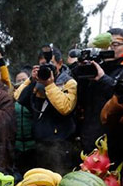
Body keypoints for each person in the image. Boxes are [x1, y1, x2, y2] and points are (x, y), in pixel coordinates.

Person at [15, 47, 78, 175]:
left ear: (60, 63)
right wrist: (31, 79)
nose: (47, 68)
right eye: (43, 65)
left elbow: (65, 108)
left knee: (59, 179)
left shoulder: (69, 82)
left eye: (51, 64)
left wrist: (49, 85)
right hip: (39, 144)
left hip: (60, 144)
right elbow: (18, 97)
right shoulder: (37, 82)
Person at [76, 28, 123, 167]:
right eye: (106, 45)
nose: (109, 48)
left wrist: (103, 79)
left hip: (115, 141)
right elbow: (80, 99)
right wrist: (82, 72)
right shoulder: (95, 66)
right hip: (89, 136)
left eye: (115, 44)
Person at [12, 70, 35, 176]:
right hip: (17, 145)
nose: (21, 82)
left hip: (32, 145)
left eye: (23, 80)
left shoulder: (34, 96)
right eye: (18, 80)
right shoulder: (12, 98)